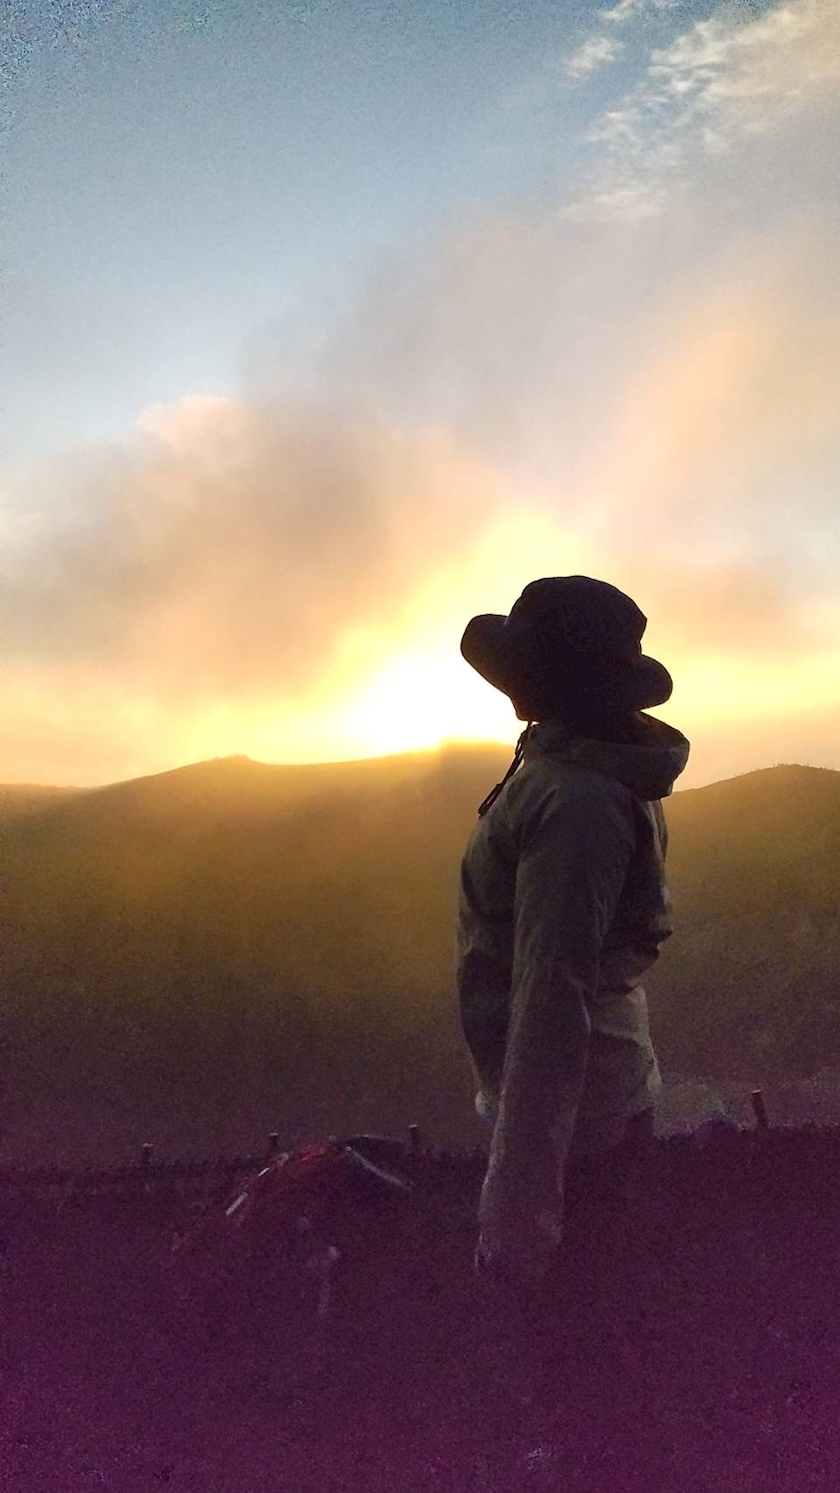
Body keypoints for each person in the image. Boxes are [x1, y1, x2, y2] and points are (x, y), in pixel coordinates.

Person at [457, 576, 690, 1284]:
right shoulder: (578, 767)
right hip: (591, 1108)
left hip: (577, 1131)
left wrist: (514, 1226)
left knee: (575, 1315)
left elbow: (551, 1003)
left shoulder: (575, 803)